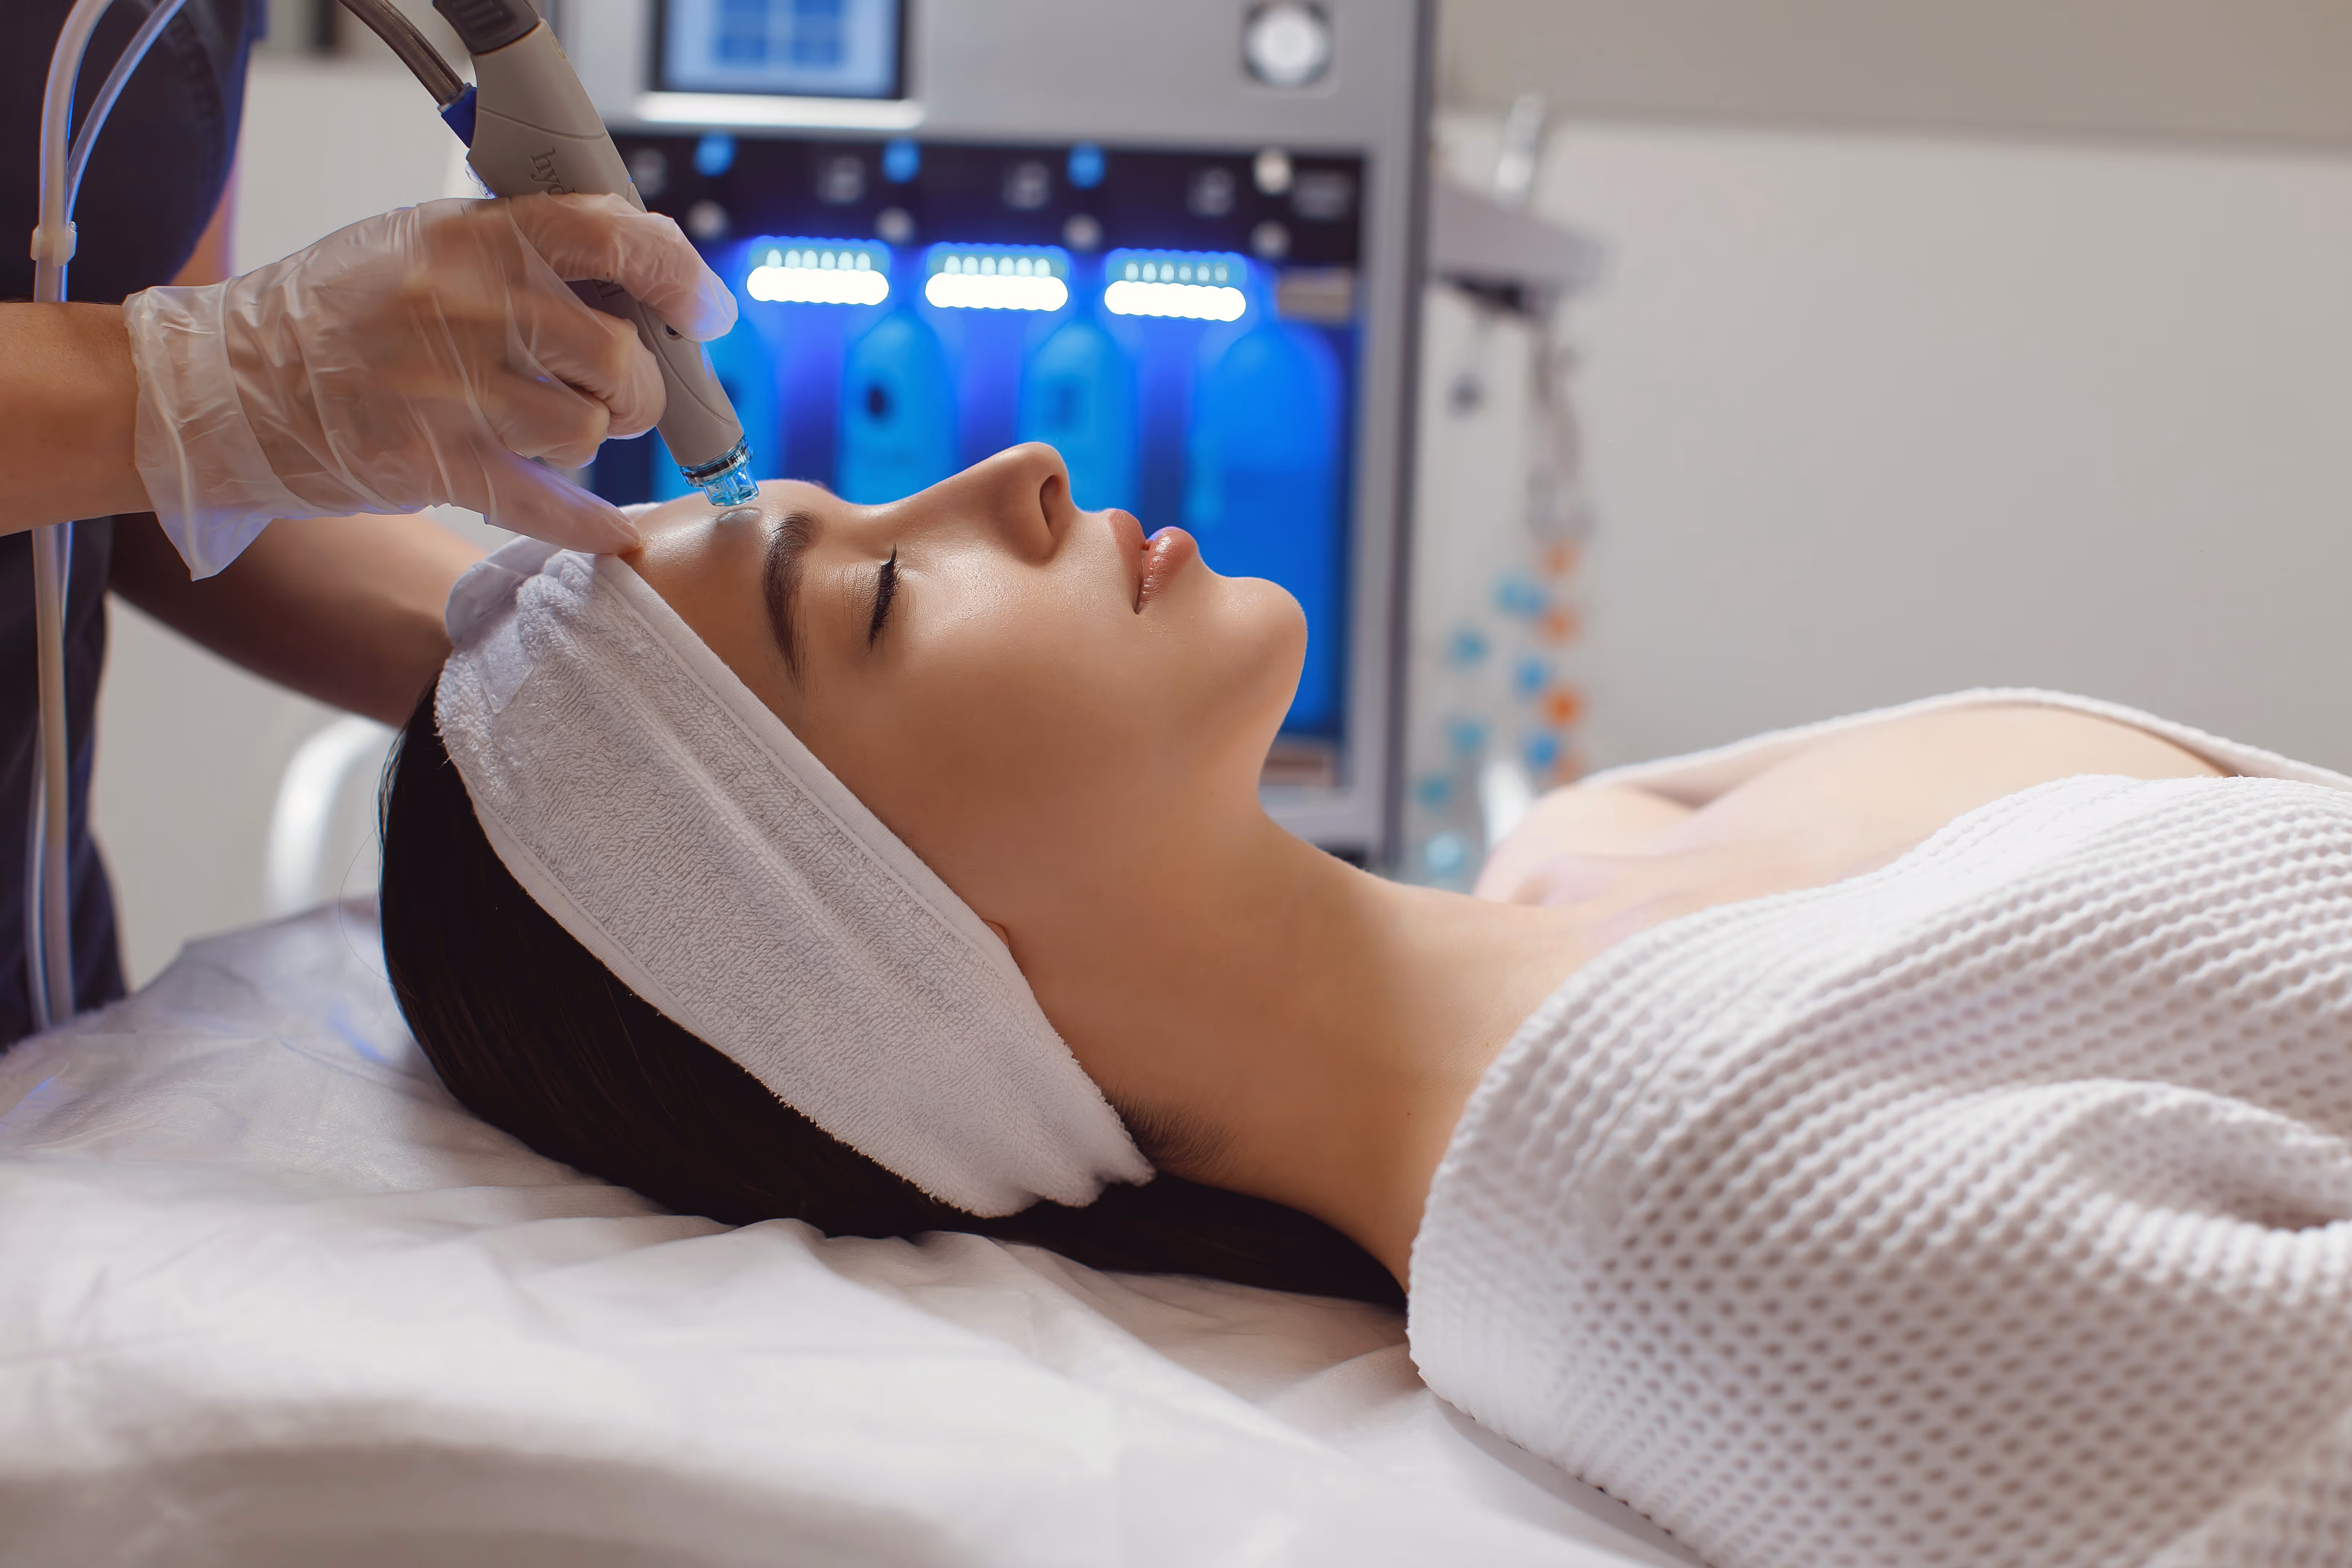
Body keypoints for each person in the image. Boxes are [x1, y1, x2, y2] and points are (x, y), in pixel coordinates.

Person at [380, 444, 2352, 1568]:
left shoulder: (1579, 853)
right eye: (876, 597)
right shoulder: (1731, 1215)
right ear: (882, 976)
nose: (1017, 475)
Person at [0, 0, 732, 1042]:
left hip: (40, 976)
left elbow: (163, 475)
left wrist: (557, 678)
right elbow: (164, 410)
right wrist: (204, 379)